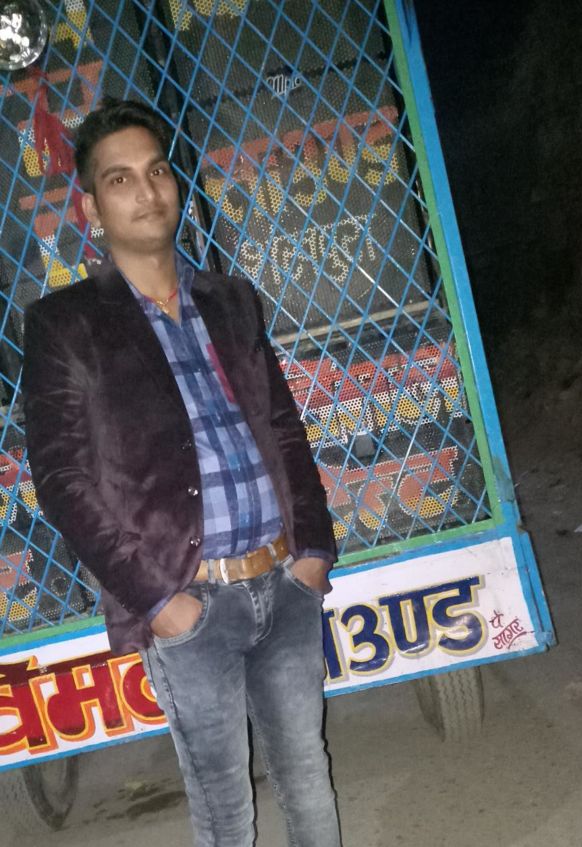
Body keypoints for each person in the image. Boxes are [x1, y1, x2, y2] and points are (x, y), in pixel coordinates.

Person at [22, 98, 342, 847]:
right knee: (226, 814)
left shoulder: (229, 300)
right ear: (91, 207)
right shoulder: (66, 324)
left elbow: (283, 428)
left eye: (158, 170)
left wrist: (313, 552)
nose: (147, 190)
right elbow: (62, 480)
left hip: (284, 583)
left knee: (309, 778)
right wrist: (160, 601)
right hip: (188, 603)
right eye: (121, 179)